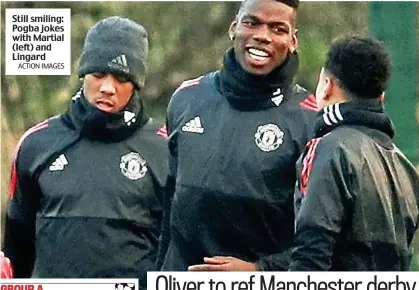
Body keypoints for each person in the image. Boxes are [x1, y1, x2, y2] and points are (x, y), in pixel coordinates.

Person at [3, 17, 168, 287]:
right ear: (84, 74)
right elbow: (16, 248)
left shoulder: (166, 149)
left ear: (136, 84)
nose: (107, 87)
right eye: (99, 74)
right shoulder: (36, 144)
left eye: (121, 77)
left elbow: (179, 249)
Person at [158, 0, 318, 271]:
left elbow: (322, 239)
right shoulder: (187, 98)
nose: (262, 36)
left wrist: (259, 271)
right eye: (252, 23)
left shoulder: (311, 119)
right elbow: (167, 211)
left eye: (277, 29)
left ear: (293, 41)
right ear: (234, 28)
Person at [289, 35, 419, 271]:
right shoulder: (406, 167)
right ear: (381, 97)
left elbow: (310, 257)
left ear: (327, 85)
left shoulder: (329, 149)